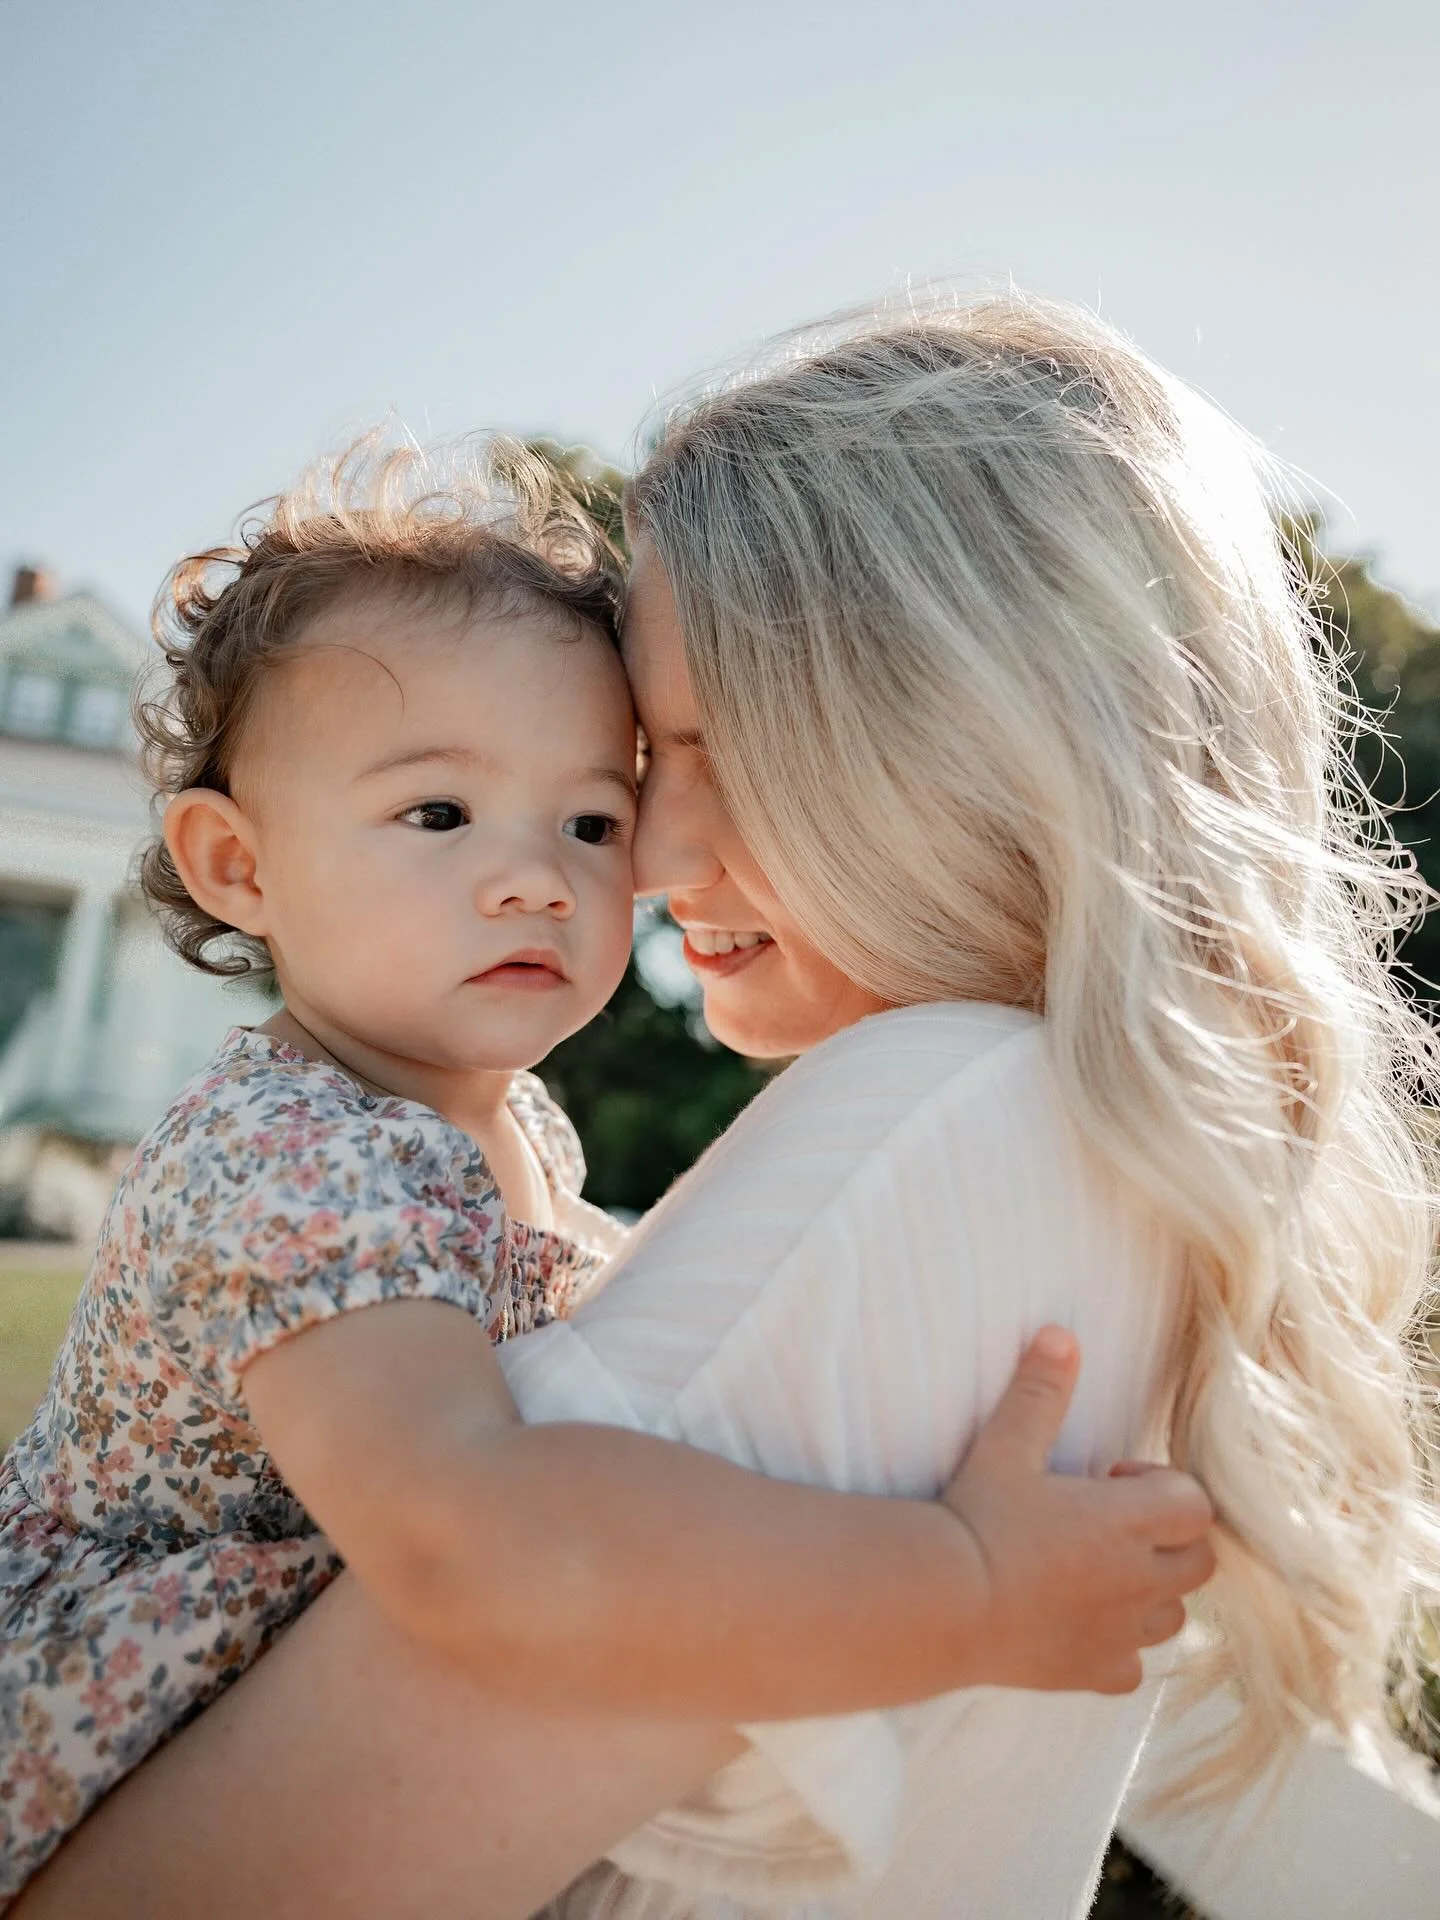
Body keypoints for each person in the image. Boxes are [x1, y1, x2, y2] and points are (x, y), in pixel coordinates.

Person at [15, 286, 1435, 1917]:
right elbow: (483, 1546)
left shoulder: (951, 1112)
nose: (644, 862)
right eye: (442, 813)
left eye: (615, 801)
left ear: (953, 734)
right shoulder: (307, 1159)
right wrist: (960, 1586)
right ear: (235, 866)